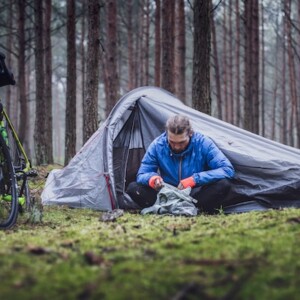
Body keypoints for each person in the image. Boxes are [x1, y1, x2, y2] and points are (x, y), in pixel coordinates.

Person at [126, 114, 235, 213]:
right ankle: (172, 208)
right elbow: (142, 174)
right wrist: (152, 179)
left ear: (190, 134)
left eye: (182, 142)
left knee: (223, 185)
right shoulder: (158, 145)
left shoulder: (203, 143)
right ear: (167, 134)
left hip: (195, 196)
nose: (177, 146)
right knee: (133, 188)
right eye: (172, 142)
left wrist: (194, 180)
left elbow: (227, 170)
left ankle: (190, 209)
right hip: (166, 194)